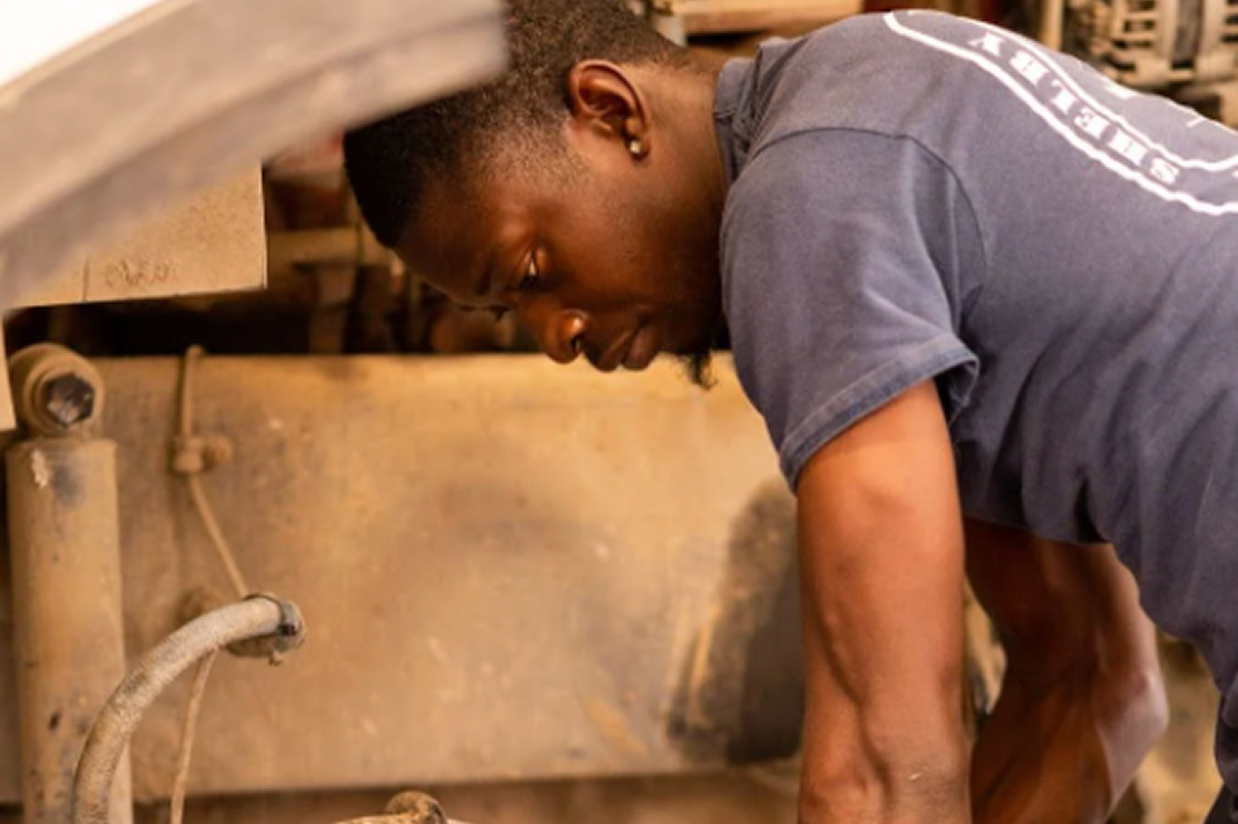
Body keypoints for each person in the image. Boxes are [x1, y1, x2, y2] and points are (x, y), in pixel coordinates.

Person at [340, 1, 1238, 820]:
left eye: (530, 274)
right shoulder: (873, 102)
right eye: (509, 316)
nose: (555, 337)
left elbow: (884, 777)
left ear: (610, 111)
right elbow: (1088, 682)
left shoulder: (803, 198)